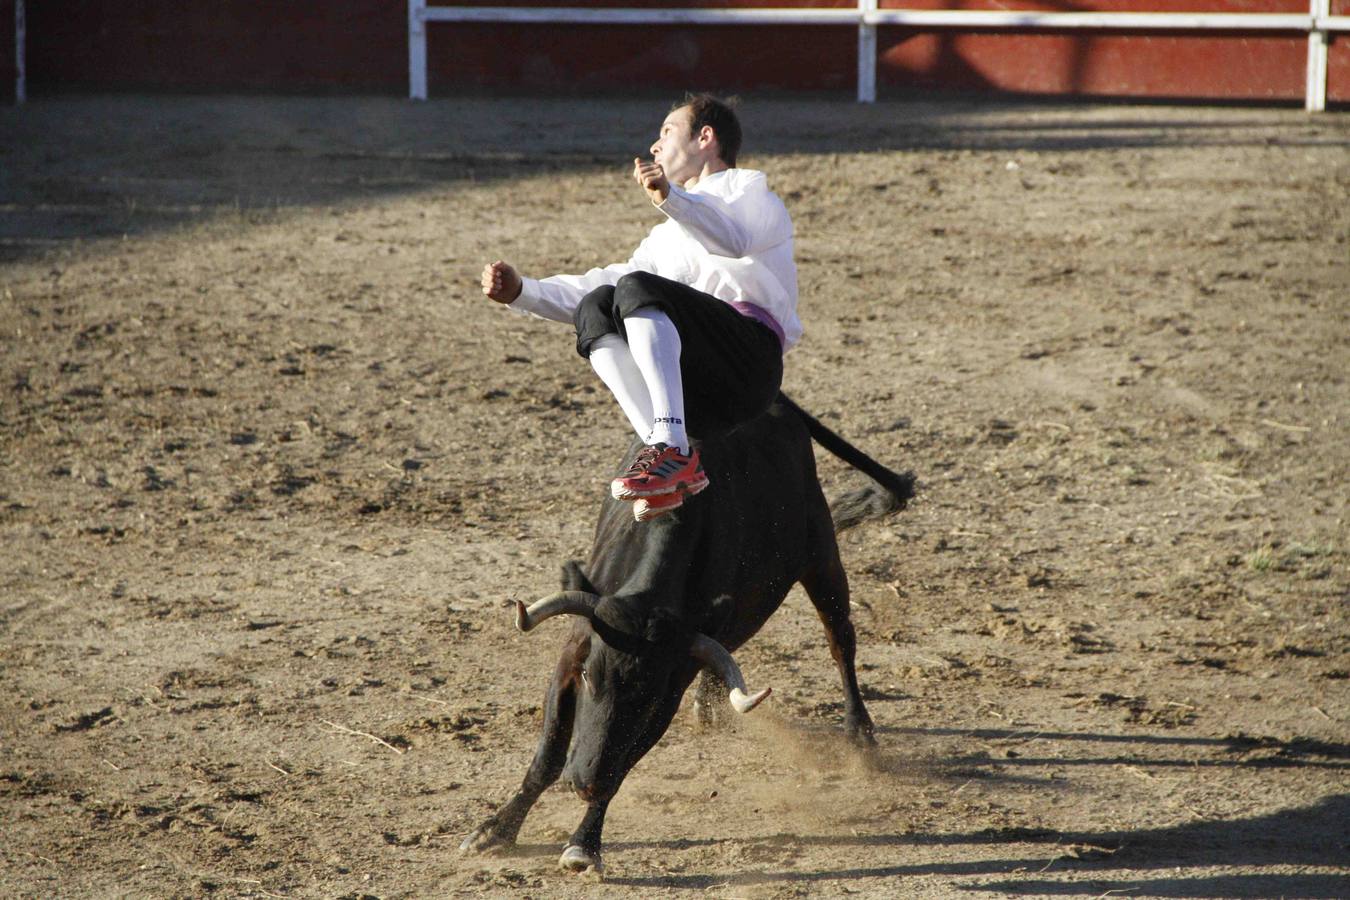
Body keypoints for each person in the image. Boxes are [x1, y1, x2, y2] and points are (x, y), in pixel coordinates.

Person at [480, 93, 799, 521]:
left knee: (635, 287)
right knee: (597, 305)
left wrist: (670, 197)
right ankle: (666, 448)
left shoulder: (749, 190)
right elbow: (604, 286)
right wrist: (524, 291)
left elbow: (734, 238)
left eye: (667, 131)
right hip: (698, 389)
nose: (654, 145)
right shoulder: (665, 236)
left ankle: (669, 444)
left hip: (748, 362)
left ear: (706, 137)